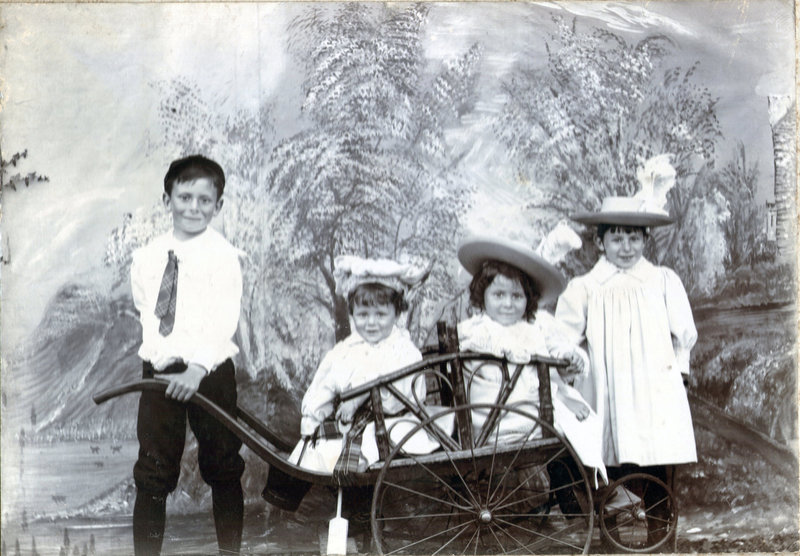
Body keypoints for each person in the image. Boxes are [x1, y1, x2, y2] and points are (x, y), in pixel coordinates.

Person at [555, 155, 697, 538]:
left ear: (646, 239)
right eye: (616, 237)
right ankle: (611, 535)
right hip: (608, 386)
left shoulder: (663, 281)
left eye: (634, 237)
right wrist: (571, 366)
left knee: (657, 460)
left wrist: (680, 372)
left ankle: (660, 533)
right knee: (610, 460)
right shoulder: (585, 287)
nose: (626, 246)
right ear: (599, 241)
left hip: (654, 388)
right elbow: (564, 338)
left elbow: (683, 334)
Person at [130, 155, 245, 556]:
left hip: (209, 371)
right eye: (184, 197)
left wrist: (196, 368)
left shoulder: (223, 257)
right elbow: (148, 310)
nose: (193, 208)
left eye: (204, 200)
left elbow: (223, 321)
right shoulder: (147, 256)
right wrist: (163, 361)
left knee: (223, 465)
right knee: (153, 471)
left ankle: (230, 551)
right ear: (167, 200)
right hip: (161, 372)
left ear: (219, 206)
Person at [456, 235, 607, 488]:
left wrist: (569, 358)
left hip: (524, 403)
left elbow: (553, 350)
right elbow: (511, 361)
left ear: (529, 300)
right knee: (567, 426)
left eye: (517, 296)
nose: (508, 304)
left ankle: (582, 490)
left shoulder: (531, 328)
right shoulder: (478, 331)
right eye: (499, 294)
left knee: (583, 418)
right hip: (498, 414)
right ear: (483, 295)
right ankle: (585, 491)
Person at [289, 255, 445, 477]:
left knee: (359, 446)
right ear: (352, 314)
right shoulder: (347, 349)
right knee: (314, 447)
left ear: (397, 313)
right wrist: (314, 417)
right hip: (353, 422)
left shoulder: (401, 349)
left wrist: (358, 398)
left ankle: (359, 478)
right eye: (363, 315)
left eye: (381, 315)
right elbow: (324, 384)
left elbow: (400, 392)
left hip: (392, 422)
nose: (371, 323)